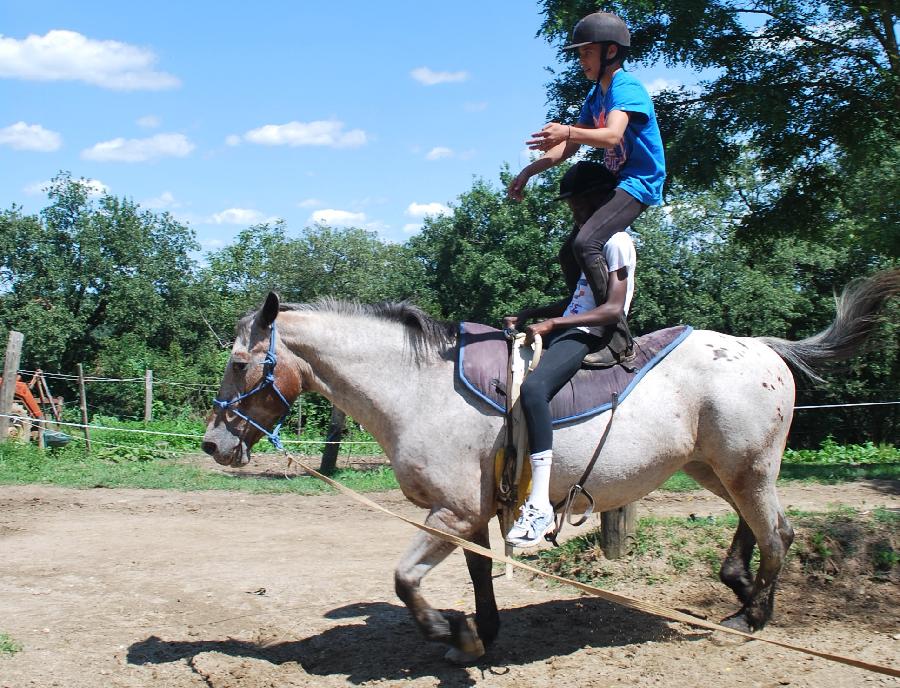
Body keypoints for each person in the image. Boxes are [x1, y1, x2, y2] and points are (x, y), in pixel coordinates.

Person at [503, 12, 666, 547]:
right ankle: (590, 315)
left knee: (585, 242)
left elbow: (613, 135)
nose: (580, 58)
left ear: (611, 51)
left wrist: (571, 131)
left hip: (639, 182)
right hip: (620, 178)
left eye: (586, 51)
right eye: (579, 52)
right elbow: (567, 148)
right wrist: (530, 172)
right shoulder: (592, 96)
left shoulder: (625, 87)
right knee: (569, 249)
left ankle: (608, 326)